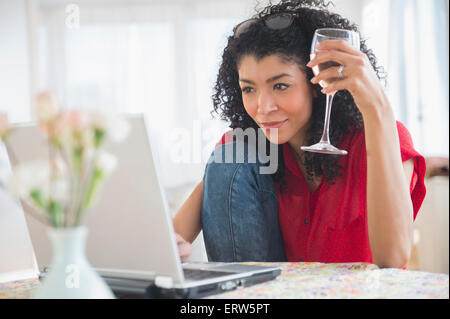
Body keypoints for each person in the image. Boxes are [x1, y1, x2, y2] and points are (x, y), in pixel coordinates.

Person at [173, 0, 426, 268]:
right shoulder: (247, 150)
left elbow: (393, 260)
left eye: (280, 86)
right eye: (249, 89)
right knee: (230, 157)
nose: (263, 108)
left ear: (320, 82)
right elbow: (172, 240)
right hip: (266, 297)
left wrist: (379, 109)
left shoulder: (382, 135)